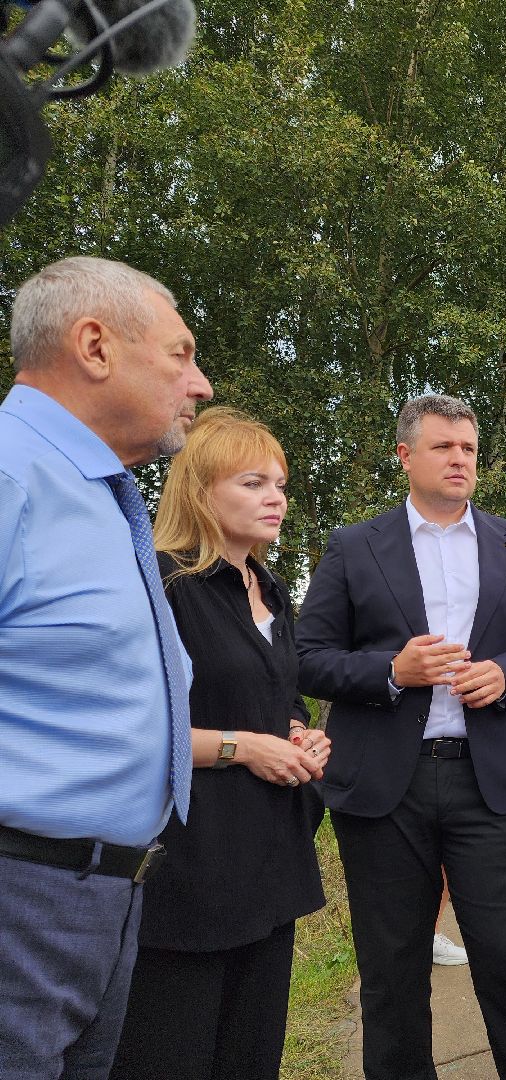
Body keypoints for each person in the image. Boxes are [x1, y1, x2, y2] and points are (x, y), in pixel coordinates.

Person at [296, 393, 506, 1080]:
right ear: (406, 456)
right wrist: (391, 670)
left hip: (488, 778)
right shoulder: (356, 545)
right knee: (391, 968)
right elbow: (306, 655)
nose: (459, 459)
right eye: (444, 447)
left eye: (469, 450)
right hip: (386, 785)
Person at [0, 256, 212, 1077]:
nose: (199, 383)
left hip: (102, 899)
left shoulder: (96, 489)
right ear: (95, 345)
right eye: (180, 354)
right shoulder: (14, 475)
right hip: (23, 899)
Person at [109, 407, 329, 1080]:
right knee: (172, 1053)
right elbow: (133, 730)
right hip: (192, 866)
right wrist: (245, 747)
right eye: (253, 483)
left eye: (282, 485)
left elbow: (276, 693)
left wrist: (296, 732)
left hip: (271, 860)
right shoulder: (166, 587)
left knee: (250, 1054)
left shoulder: (268, 587)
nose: (276, 499)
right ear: (201, 490)